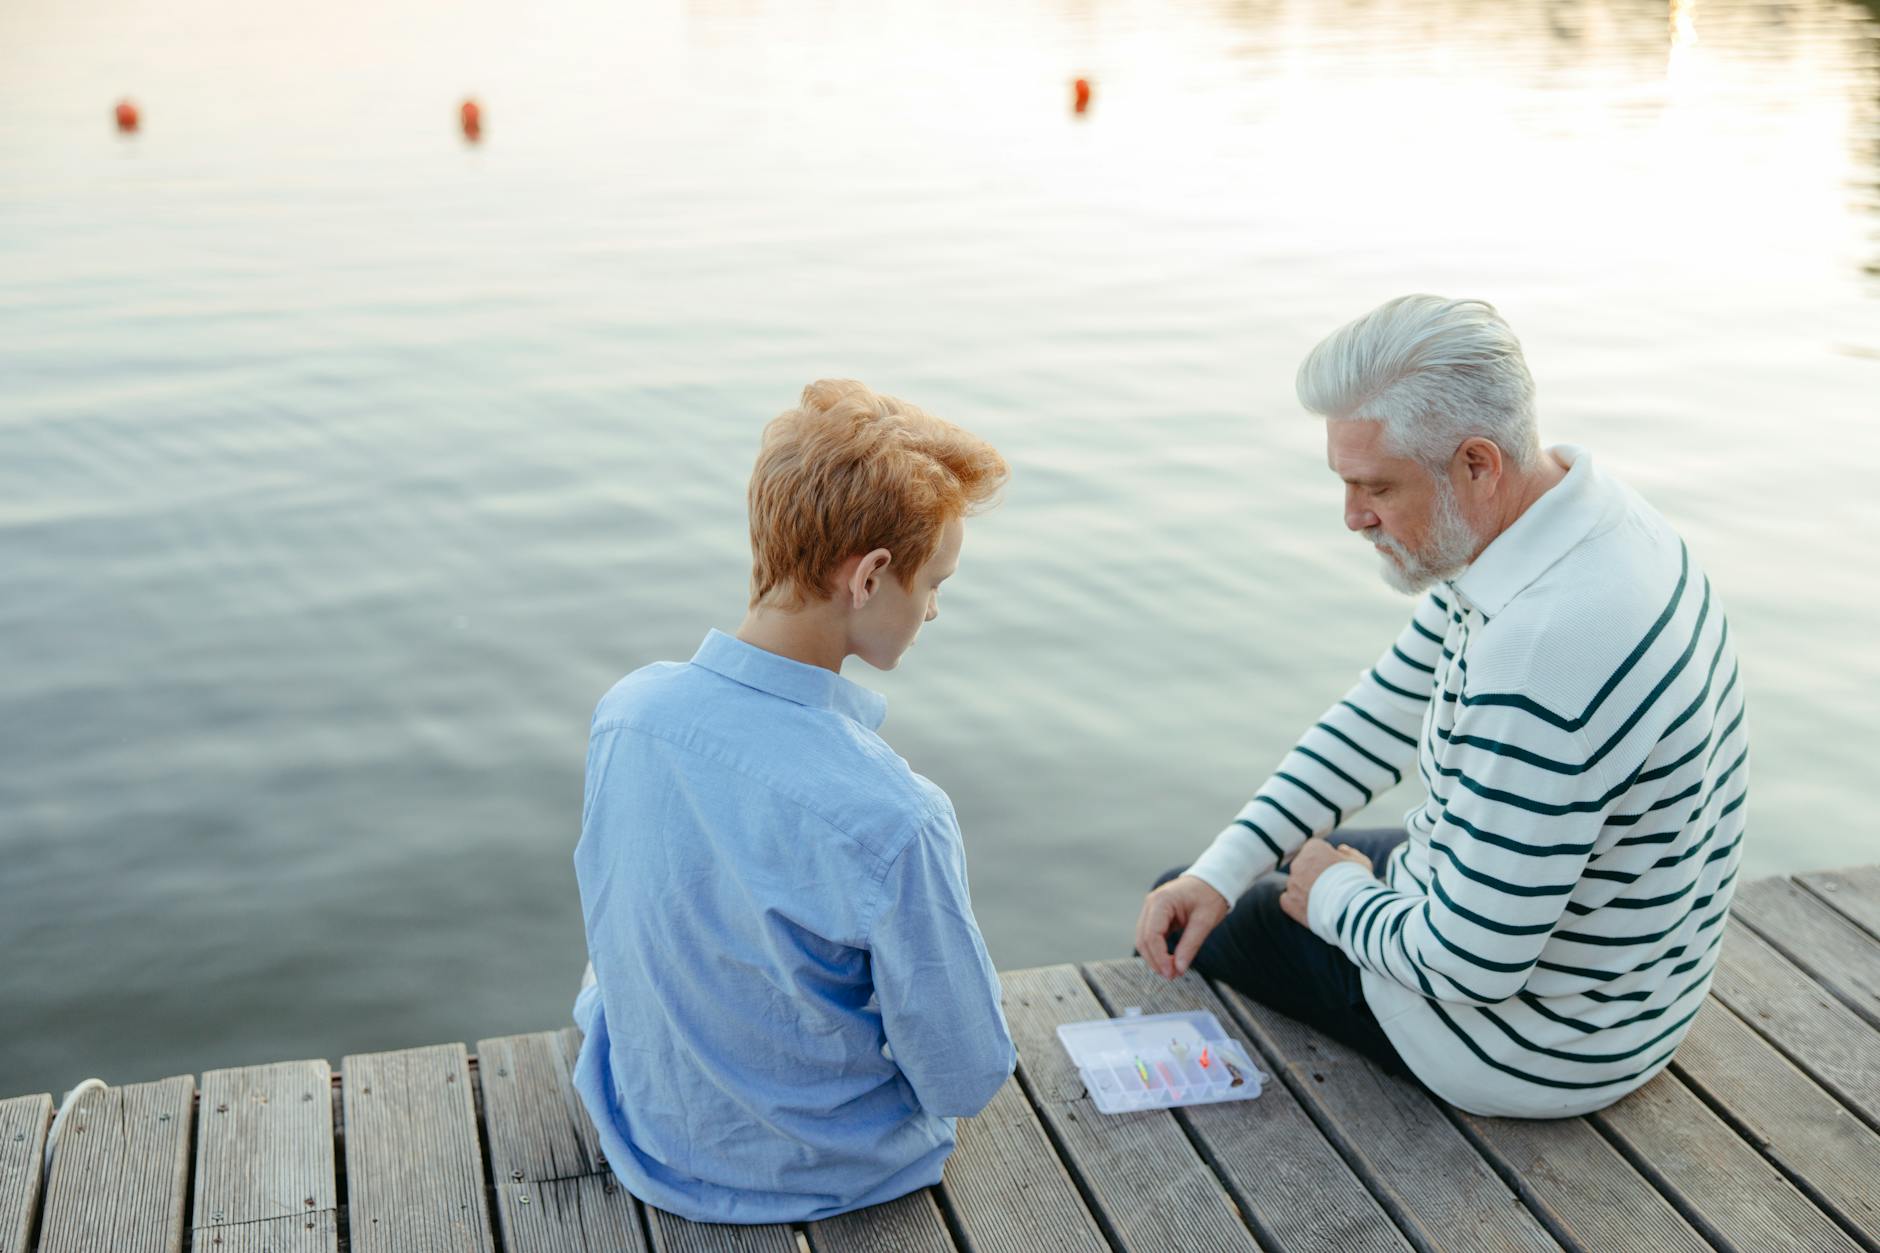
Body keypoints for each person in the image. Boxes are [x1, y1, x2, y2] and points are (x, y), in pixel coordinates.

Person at [1135, 295, 1747, 1118]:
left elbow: (1470, 965)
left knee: (1192, 909)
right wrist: (1223, 868)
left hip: (1527, 1046)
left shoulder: (1542, 652)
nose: (1352, 517)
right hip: (1630, 990)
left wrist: (1337, 900)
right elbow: (1380, 716)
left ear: (1477, 465)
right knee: (1218, 878)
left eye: (1376, 486)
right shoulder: (1578, 522)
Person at [572, 380, 1017, 1223]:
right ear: (871, 575)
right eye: (935, 581)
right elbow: (965, 1076)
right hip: (827, 1175)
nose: (933, 609)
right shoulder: (898, 816)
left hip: (648, 1138)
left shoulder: (626, 714)